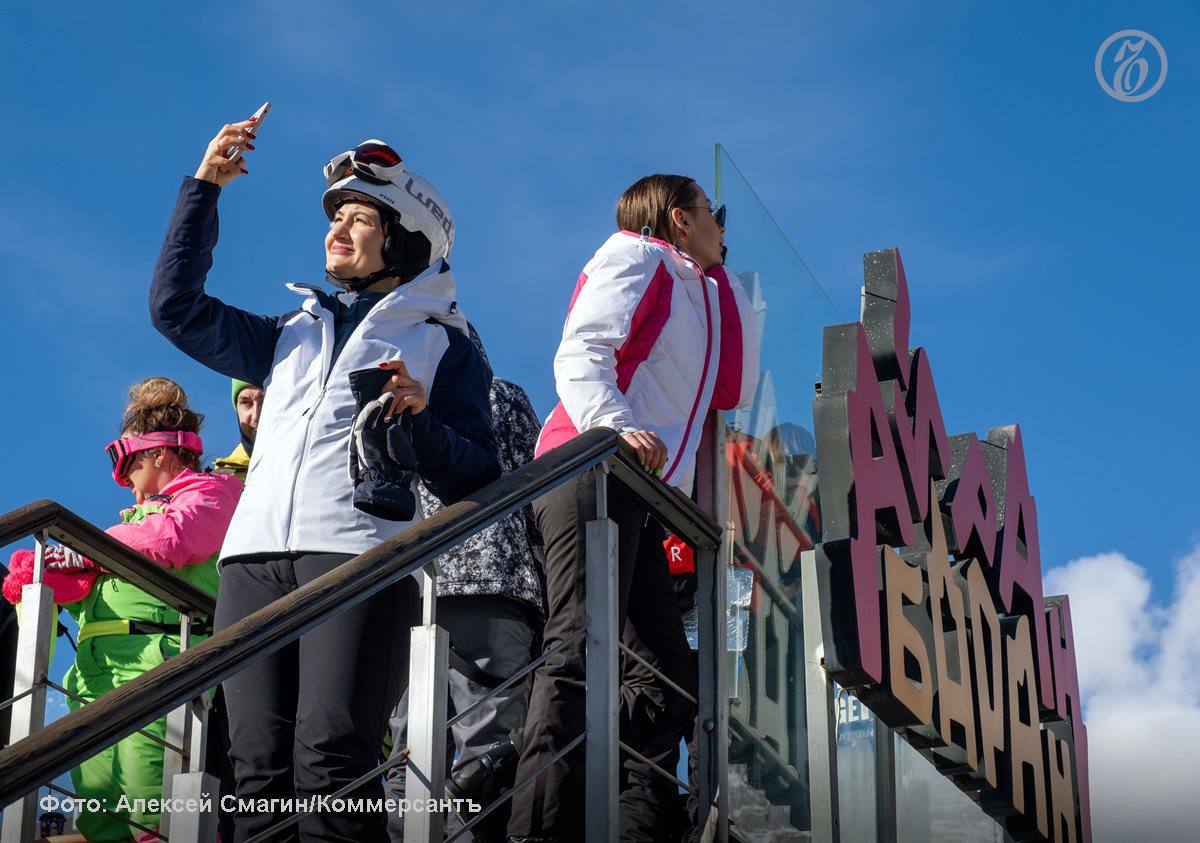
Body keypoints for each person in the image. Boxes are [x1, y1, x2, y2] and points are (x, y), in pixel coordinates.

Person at [149, 125, 500, 840]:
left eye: (359, 217)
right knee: (255, 768)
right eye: (334, 215)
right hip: (251, 562)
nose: (337, 227)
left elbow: (479, 471)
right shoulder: (288, 332)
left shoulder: (442, 340)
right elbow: (174, 308)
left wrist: (421, 423)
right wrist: (205, 189)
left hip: (357, 559)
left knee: (331, 760)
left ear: (402, 239)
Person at [508, 174, 760, 841]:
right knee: (576, 652)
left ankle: (632, 824)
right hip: (588, 462)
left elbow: (732, 386)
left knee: (669, 678)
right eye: (712, 213)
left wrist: (721, 275)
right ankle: (537, 827)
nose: (722, 225)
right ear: (679, 219)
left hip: (639, 493)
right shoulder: (635, 255)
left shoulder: (697, 288)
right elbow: (581, 349)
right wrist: (613, 422)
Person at [4, 377, 242, 842]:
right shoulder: (129, 525)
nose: (123, 478)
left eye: (126, 463)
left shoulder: (214, 490)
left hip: (155, 659)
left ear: (158, 453)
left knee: (154, 805)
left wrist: (85, 549)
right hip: (92, 673)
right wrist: (36, 565)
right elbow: (77, 585)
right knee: (102, 819)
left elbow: (173, 540)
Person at [384, 326, 544, 842]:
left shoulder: (391, 404)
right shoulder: (505, 397)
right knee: (489, 745)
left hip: (411, 589)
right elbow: (533, 484)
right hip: (494, 584)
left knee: (407, 750)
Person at [214, 379, 263, 480]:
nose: (256, 416)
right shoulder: (222, 481)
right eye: (245, 402)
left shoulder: (303, 462)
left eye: (266, 401)